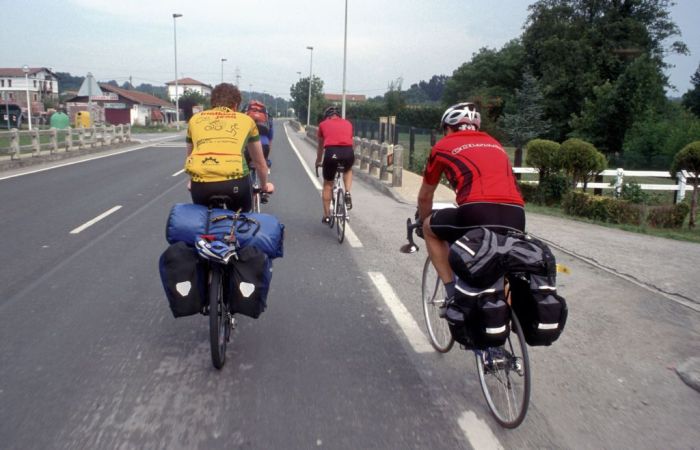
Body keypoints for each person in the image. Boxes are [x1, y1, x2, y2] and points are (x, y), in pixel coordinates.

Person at [417, 102, 525, 302]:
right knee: (505, 267)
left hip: (477, 211)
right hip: (516, 214)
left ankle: (452, 294)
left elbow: (425, 196)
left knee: (428, 227)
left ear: (448, 128)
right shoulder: (495, 143)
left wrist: (423, 218)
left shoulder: (442, 146)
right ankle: (508, 322)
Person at [185, 83, 274, 211]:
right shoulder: (246, 121)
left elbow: (191, 157)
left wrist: (192, 181)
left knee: (204, 220)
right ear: (236, 105)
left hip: (201, 185)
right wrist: (265, 186)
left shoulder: (195, 120)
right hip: (236, 183)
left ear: (212, 104)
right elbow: (259, 163)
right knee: (242, 220)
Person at [315, 106, 354, 224]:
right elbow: (350, 140)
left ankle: (327, 215)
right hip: (348, 152)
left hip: (331, 153)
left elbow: (321, 147)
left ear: (327, 116)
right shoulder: (348, 123)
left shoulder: (322, 125)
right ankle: (347, 191)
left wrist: (318, 160)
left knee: (327, 184)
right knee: (348, 170)